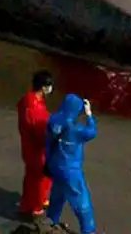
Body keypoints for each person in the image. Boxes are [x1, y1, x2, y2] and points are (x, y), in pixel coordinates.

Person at [44, 93, 98, 233]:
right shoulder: (76, 129)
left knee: (57, 194)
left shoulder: (52, 121)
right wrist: (89, 115)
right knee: (81, 201)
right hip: (70, 169)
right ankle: (88, 230)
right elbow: (92, 132)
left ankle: (51, 220)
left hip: (55, 165)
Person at [16, 70, 55, 220]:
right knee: (37, 177)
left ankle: (36, 201)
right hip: (35, 147)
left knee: (37, 176)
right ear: (44, 87)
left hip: (32, 145)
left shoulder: (31, 100)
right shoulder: (32, 105)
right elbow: (37, 129)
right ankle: (32, 207)